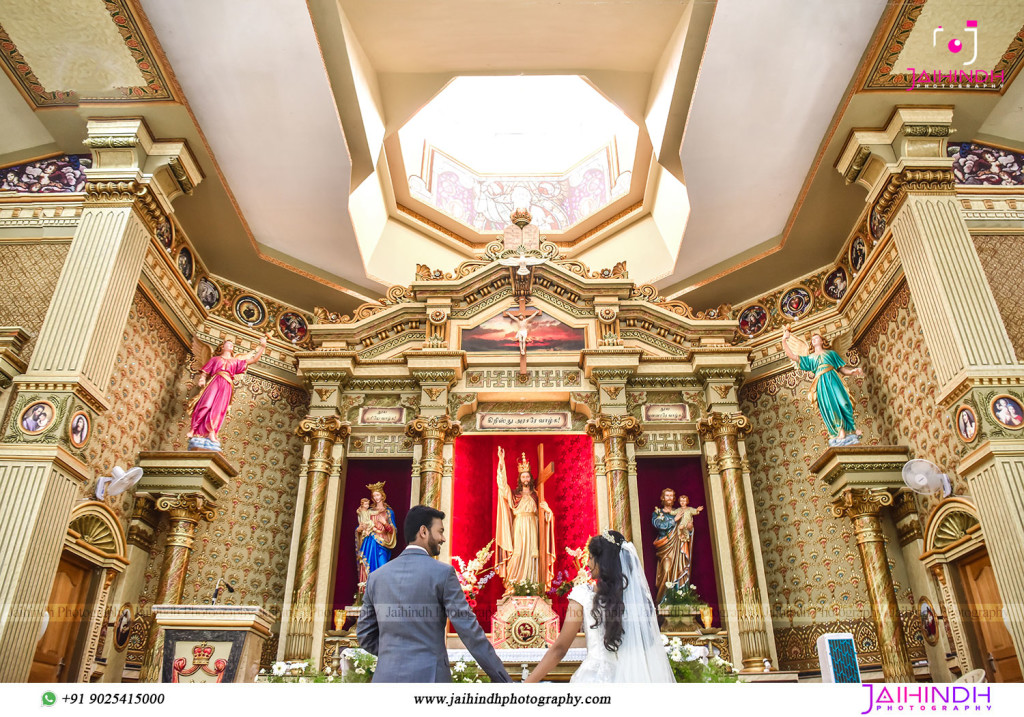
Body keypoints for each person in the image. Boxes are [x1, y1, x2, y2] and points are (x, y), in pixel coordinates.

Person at [357, 505, 511, 683]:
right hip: (429, 678)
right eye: (440, 531)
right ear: (423, 531)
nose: (443, 538)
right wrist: (504, 682)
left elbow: (365, 634)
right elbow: (469, 632)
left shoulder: (376, 577)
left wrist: (393, 654)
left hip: (385, 679)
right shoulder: (443, 573)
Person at [525, 530, 674, 683]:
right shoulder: (638, 599)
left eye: (590, 558)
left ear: (603, 561)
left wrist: (526, 685)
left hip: (595, 680)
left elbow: (560, 649)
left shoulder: (582, 595)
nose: (587, 563)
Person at [781, 328, 863, 445]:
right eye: (812, 339)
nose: (813, 340)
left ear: (822, 341)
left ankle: (851, 428)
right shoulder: (810, 357)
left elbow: (842, 369)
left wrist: (852, 372)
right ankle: (840, 431)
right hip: (822, 384)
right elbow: (793, 356)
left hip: (834, 380)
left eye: (816, 338)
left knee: (844, 402)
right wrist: (784, 340)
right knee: (830, 407)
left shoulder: (831, 353)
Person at [187, 336, 266, 449]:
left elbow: (253, 360)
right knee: (206, 404)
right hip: (215, 381)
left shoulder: (236, 361)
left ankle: (212, 432)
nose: (230, 345)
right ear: (222, 347)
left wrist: (263, 347)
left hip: (227, 384)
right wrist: (202, 379)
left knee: (218, 410)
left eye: (232, 345)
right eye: (228, 343)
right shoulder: (215, 359)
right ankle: (193, 429)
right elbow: (205, 371)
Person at [495, 447, 554, 591]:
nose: (526, 479)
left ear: (531, 478)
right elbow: (502, 486)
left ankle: (532, 586)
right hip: (519, 526)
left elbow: (545, 516)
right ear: (520, 479)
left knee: (533, 555)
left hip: (534, 526)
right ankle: (513, 585)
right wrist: (501, 462)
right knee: (518, 553)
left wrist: (548, 512)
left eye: (527, 476)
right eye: (523, 476)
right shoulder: (514, 495)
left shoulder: (537, 494)